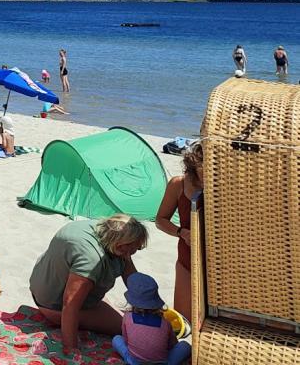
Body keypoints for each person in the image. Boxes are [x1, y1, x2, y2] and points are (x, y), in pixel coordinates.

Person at [30, 214, 147, 354]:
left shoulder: (104, 228)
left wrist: (151, 304)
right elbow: (70, 304)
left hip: (46, 281)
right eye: (134, 249)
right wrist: (71, 349)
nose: (134, 252)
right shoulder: (91, 260)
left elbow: (132, 279)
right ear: (122, 246)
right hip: (53, 306)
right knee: (126, 328)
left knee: (126, 318)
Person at [154, 143, 202, 320]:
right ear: (193, 166)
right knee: (184, 321)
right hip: (186, 259)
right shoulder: (178, 184)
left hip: (220, 264)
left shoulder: (226, 185)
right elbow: (160, 220)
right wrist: (181, 232)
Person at [111, 273, 191, 365]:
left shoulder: (127, 317)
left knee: (116, 339)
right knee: (185, 346)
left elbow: (126, 341)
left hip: (134, 361)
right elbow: (172, 345)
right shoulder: (165, 323)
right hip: (162, 363)